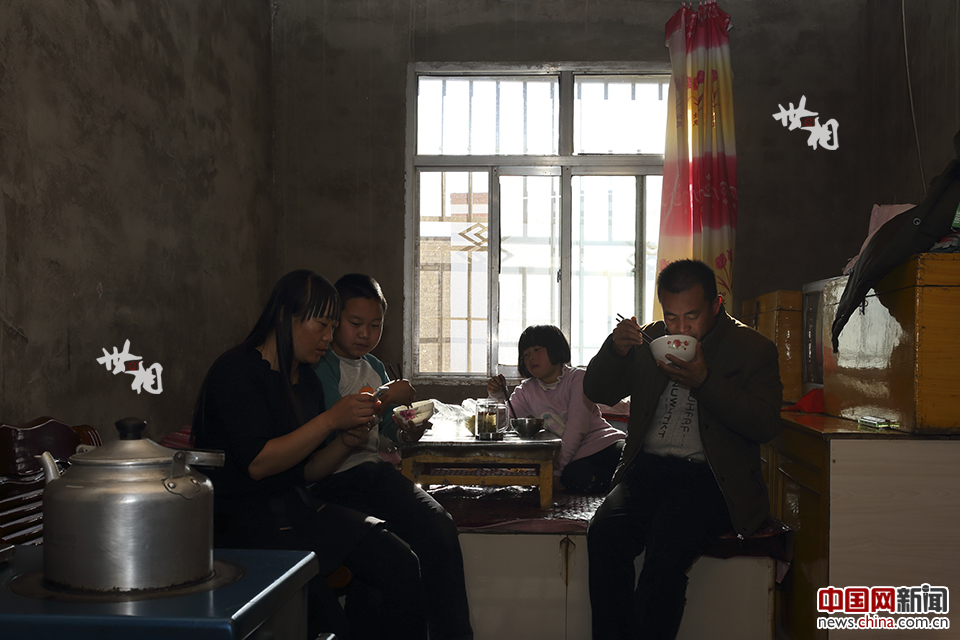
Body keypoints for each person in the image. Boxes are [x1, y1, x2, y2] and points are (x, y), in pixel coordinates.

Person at [192, 270, 427, 640]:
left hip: (295, 511)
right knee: (326, 623)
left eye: (333, 327)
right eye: (322, 325)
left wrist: (346, 441)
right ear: (285, 316)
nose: (329, 338)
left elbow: (308, 471)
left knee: (401, 563)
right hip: (240, 524)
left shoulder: (306, 382)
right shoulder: (237, 371)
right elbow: (259, 464)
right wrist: (330, 420)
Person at [583, 259, 783, 640]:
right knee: (605, 534)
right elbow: (597, 391)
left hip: (713, 479)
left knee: (667, 544)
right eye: (671, 317)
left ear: (716, 305)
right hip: (647, 469)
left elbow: (766, 425)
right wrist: (615, 350)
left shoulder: (753, 349)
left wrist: (705, 382)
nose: (681, 328)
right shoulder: (649, 341)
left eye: (692, 316)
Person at [311, 273, 474, 640]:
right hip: (332, 482)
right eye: (355, 323)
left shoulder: (374, 366)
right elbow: (337, 423)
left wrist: (406, 431)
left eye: (375, 325)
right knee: (384, 564)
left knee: (440, 527)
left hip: (372, 473)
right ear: (334, 321)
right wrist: (386, 396)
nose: (365, 334)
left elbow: (385, 432)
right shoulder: (320, 366)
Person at [487, 325, 625, 493]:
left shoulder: (578, 378)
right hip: (576, 460)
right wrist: (497, 396)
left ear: (556, 349)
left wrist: (557, 471)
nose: (531, 357)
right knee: (574, 478)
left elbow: (577, 427)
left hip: (606, 444)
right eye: (525, 354)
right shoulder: (526, 390)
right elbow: (503, 425)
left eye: (537, 349)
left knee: (632, 460)